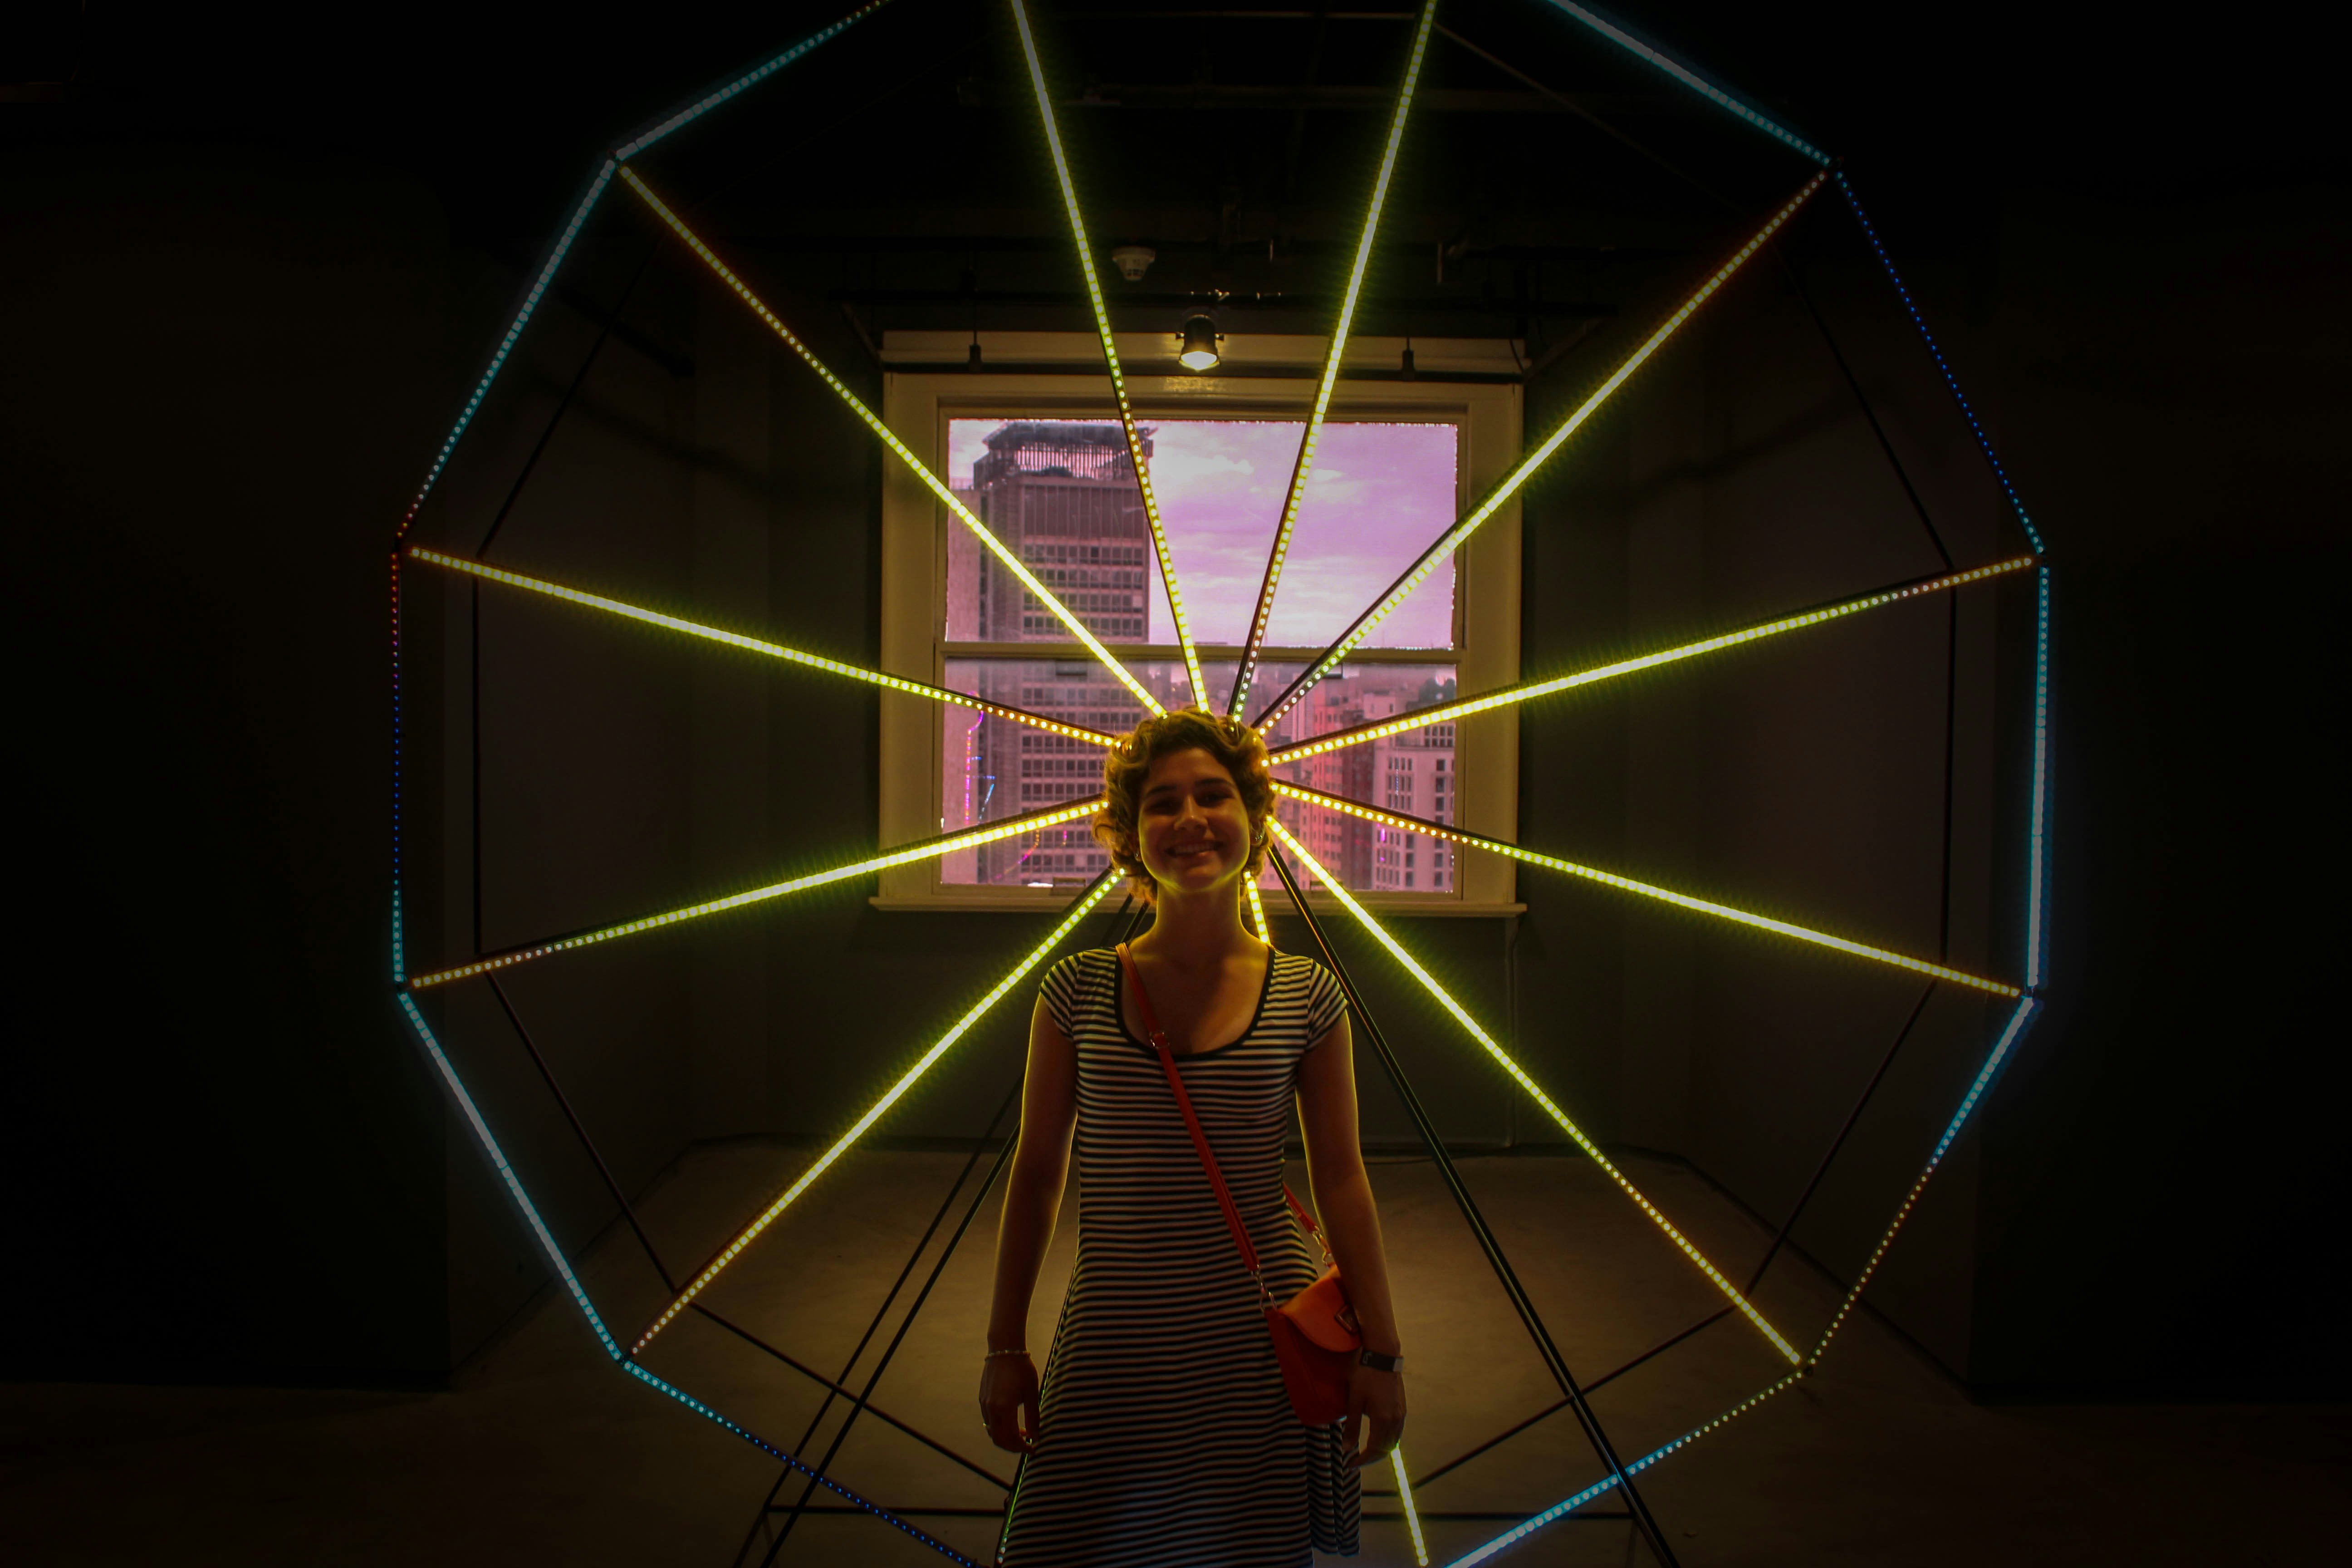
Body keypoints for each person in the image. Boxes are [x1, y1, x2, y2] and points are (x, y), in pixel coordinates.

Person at [980, 707, 1406, 1567]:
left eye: (1214, 795)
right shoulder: (1077, 990)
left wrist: (1385, 1356)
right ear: (1132, 836)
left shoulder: (1307, 996)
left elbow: (1343, 1181)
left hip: (1255, 1341)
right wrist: (1003, 1345)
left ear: (1254, 821)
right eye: (1163, 802)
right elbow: (1035, 1177)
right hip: (1115, 1331)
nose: (1190, 819)